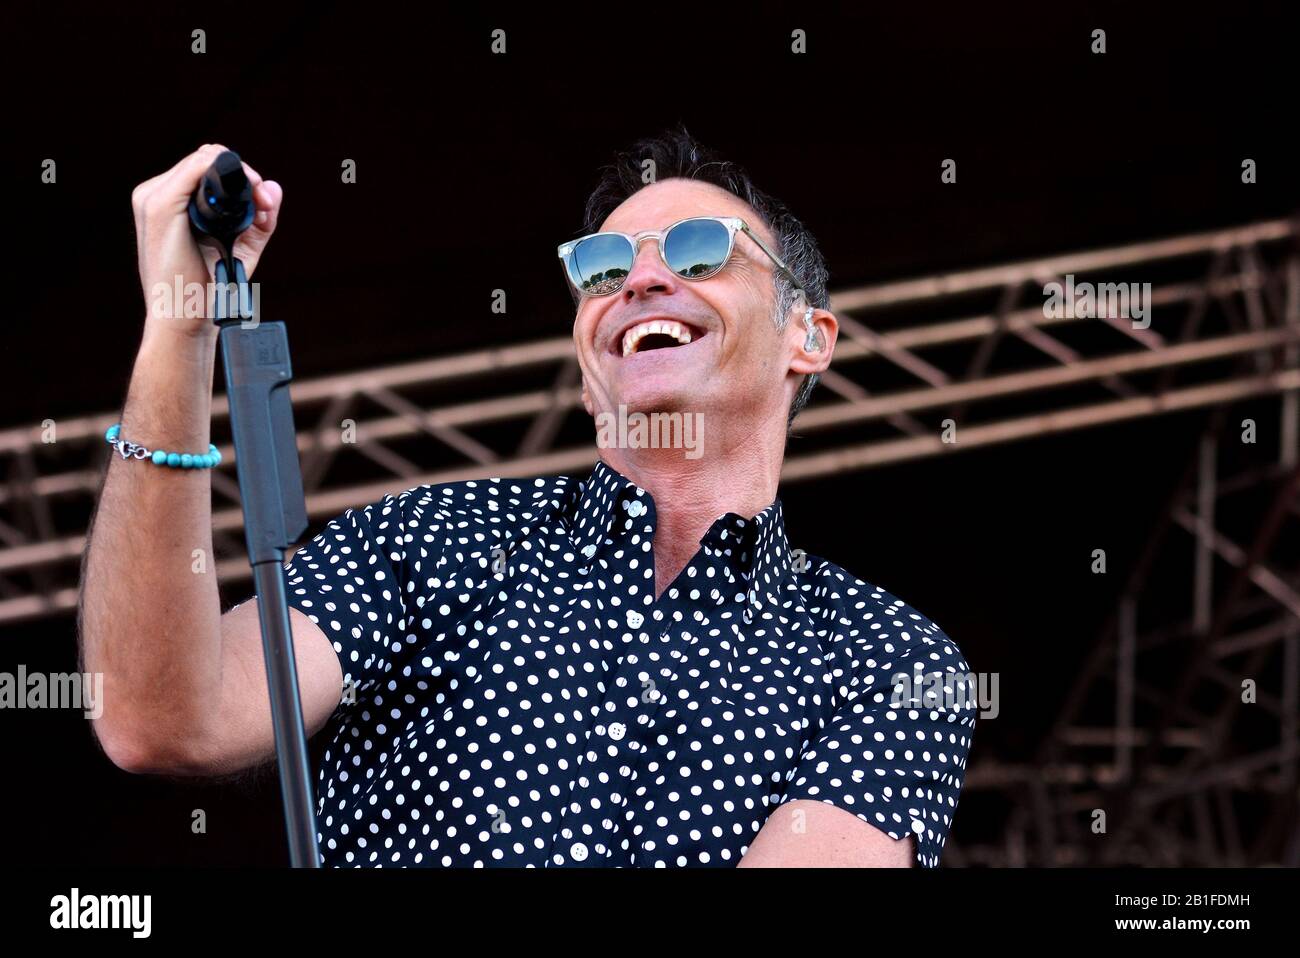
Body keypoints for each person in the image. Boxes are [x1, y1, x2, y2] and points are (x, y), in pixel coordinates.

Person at [80, 129, 976, 867]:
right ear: (589, 378)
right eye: (600, 266)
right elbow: (158, 714)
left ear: (809, 338)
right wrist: (180, 327)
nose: (641, 281)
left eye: (702, 250)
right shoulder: (431, 542)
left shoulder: (889, 661)